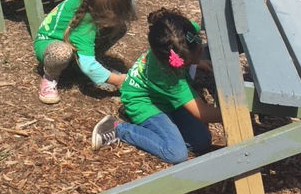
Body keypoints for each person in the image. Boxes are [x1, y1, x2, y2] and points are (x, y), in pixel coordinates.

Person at [91, 8, 220, 163]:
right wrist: (239, 112)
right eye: (190, 62)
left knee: (201, 142)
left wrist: (196, 62)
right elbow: (203, 113)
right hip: (143, 101)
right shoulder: (167, 77)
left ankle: (166, 129)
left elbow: (190, 45)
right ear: (176, 64)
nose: (197, 59)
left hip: (167, 98)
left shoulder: (182, 34)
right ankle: (118, 128)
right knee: (175, 153)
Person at [34, 0, 136, 104]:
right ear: (103, 13)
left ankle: (87, 62)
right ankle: (50, 77)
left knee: (119, 27)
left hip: (73, 38)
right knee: (61, 53)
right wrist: (118, 80)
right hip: (49, 43)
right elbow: (87, 66)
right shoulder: (84, 23)